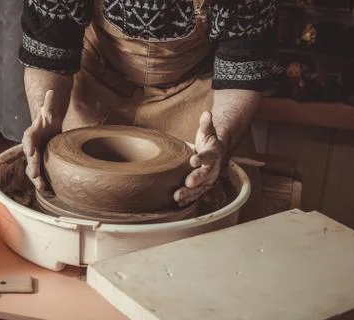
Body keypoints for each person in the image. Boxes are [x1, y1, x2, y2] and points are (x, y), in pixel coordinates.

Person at [19, 0, 279, 221]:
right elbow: (49, 51)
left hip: (194, 90)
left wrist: (221, 140)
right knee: (73, 194)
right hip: (97, 79)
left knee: (220, 206)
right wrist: (46, 115)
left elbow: (243, 70)